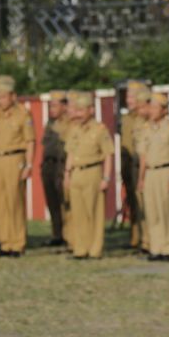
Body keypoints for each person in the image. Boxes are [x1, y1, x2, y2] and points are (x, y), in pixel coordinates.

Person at [0, 75, 35, 258]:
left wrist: (28, 165)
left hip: (15, 159)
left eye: (4, 96)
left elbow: (30, 140)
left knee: (15, 202)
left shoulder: (23, 114)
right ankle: (5, 242)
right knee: (1, 202)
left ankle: (18, 243)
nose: (1, 100)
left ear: (13, 96)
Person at [64, 91, 115, 259]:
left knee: (94, 212)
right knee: (78, 214)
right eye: (76, 110)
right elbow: (70, 153)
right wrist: (67, 174)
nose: (78, 114)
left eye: (81, 110)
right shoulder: (74, 129)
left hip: (93, 172)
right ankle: (80, 248)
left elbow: (108, 154)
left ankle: (95, 249)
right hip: (76, 173)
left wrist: (106, 178)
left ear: (91, 110)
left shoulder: (99, 129)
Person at [135, 92, 169, 260]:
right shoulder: (146, 128)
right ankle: (156, 248)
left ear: (164, 110)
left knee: (166, 211)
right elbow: (143, 157)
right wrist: (140, 179)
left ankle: (168, 249)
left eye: (155, 107)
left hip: (165, 171)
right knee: (152, 212)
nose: (152, 110)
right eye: (151, 107)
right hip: (150, 173)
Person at [120, 83, 151, 252]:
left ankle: (146, 240)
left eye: (132, 97)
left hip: (141, 163)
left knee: (144, 203)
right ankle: (135, 237)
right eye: (128, 97)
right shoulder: (127, 118)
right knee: (133, 202)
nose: (129, 100)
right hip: (128, 163)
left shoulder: (144, 119)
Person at [41, 92, 69, 248]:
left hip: (62, 164)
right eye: (50, 106)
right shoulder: (50, 123)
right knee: (51, 201)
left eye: (55, 105)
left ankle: (67, 234)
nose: (52, 109)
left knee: (64, 200)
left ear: (64, 106)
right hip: (48, 165)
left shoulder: (69, 123)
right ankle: (56, 233)